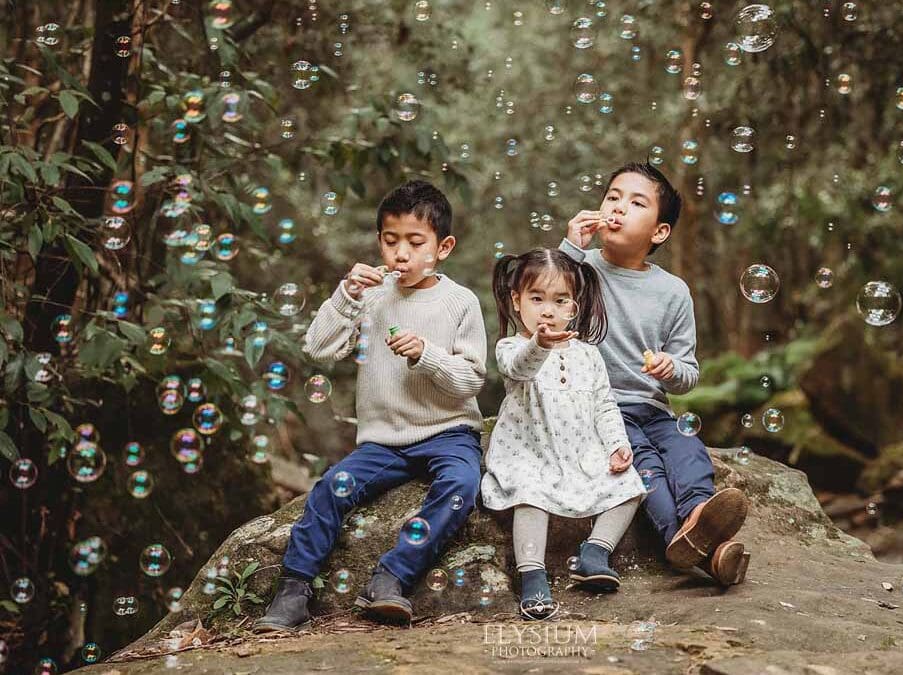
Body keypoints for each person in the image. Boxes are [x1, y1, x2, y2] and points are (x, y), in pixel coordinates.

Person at [254, 180, 487, 632]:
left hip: (449, 432)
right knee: (329, 489)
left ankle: (391, 576)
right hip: (384, 443)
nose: (400, 253)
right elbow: (319, 349)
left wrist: (427, 354)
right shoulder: (372, 295)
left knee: (462, 483)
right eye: (390, 240)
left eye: (415, 242)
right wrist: (345, 295)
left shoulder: (460, 302)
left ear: (444, 247)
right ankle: (293, 591)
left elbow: (471, 379)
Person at [559, 162, 751, 585]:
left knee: (689, 452)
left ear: (659, 232)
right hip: (601, 410)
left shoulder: (672, 291)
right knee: (645, 468)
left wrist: (669, 368)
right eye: (612, 196)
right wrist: (569, 248)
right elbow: (547, 308)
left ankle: (701, 517)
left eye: (636, 202)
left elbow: (688, 373)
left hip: (653, 408)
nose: (618, 207)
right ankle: (698, 544)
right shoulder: (581, 270)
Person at [481, 248, 646, 619]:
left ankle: (595, 552)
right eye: (536, 298)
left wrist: (618, 444)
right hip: (530, 450)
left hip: (579, 452)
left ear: (574, 306)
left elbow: (604, 405)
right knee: (529, 493)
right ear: (516, 300)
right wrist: (540, 343)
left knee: (630, 485)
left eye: (559, 300)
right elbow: (521, 369)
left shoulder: (588, 354)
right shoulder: (512, 347)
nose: (547, 310)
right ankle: (532, 575)